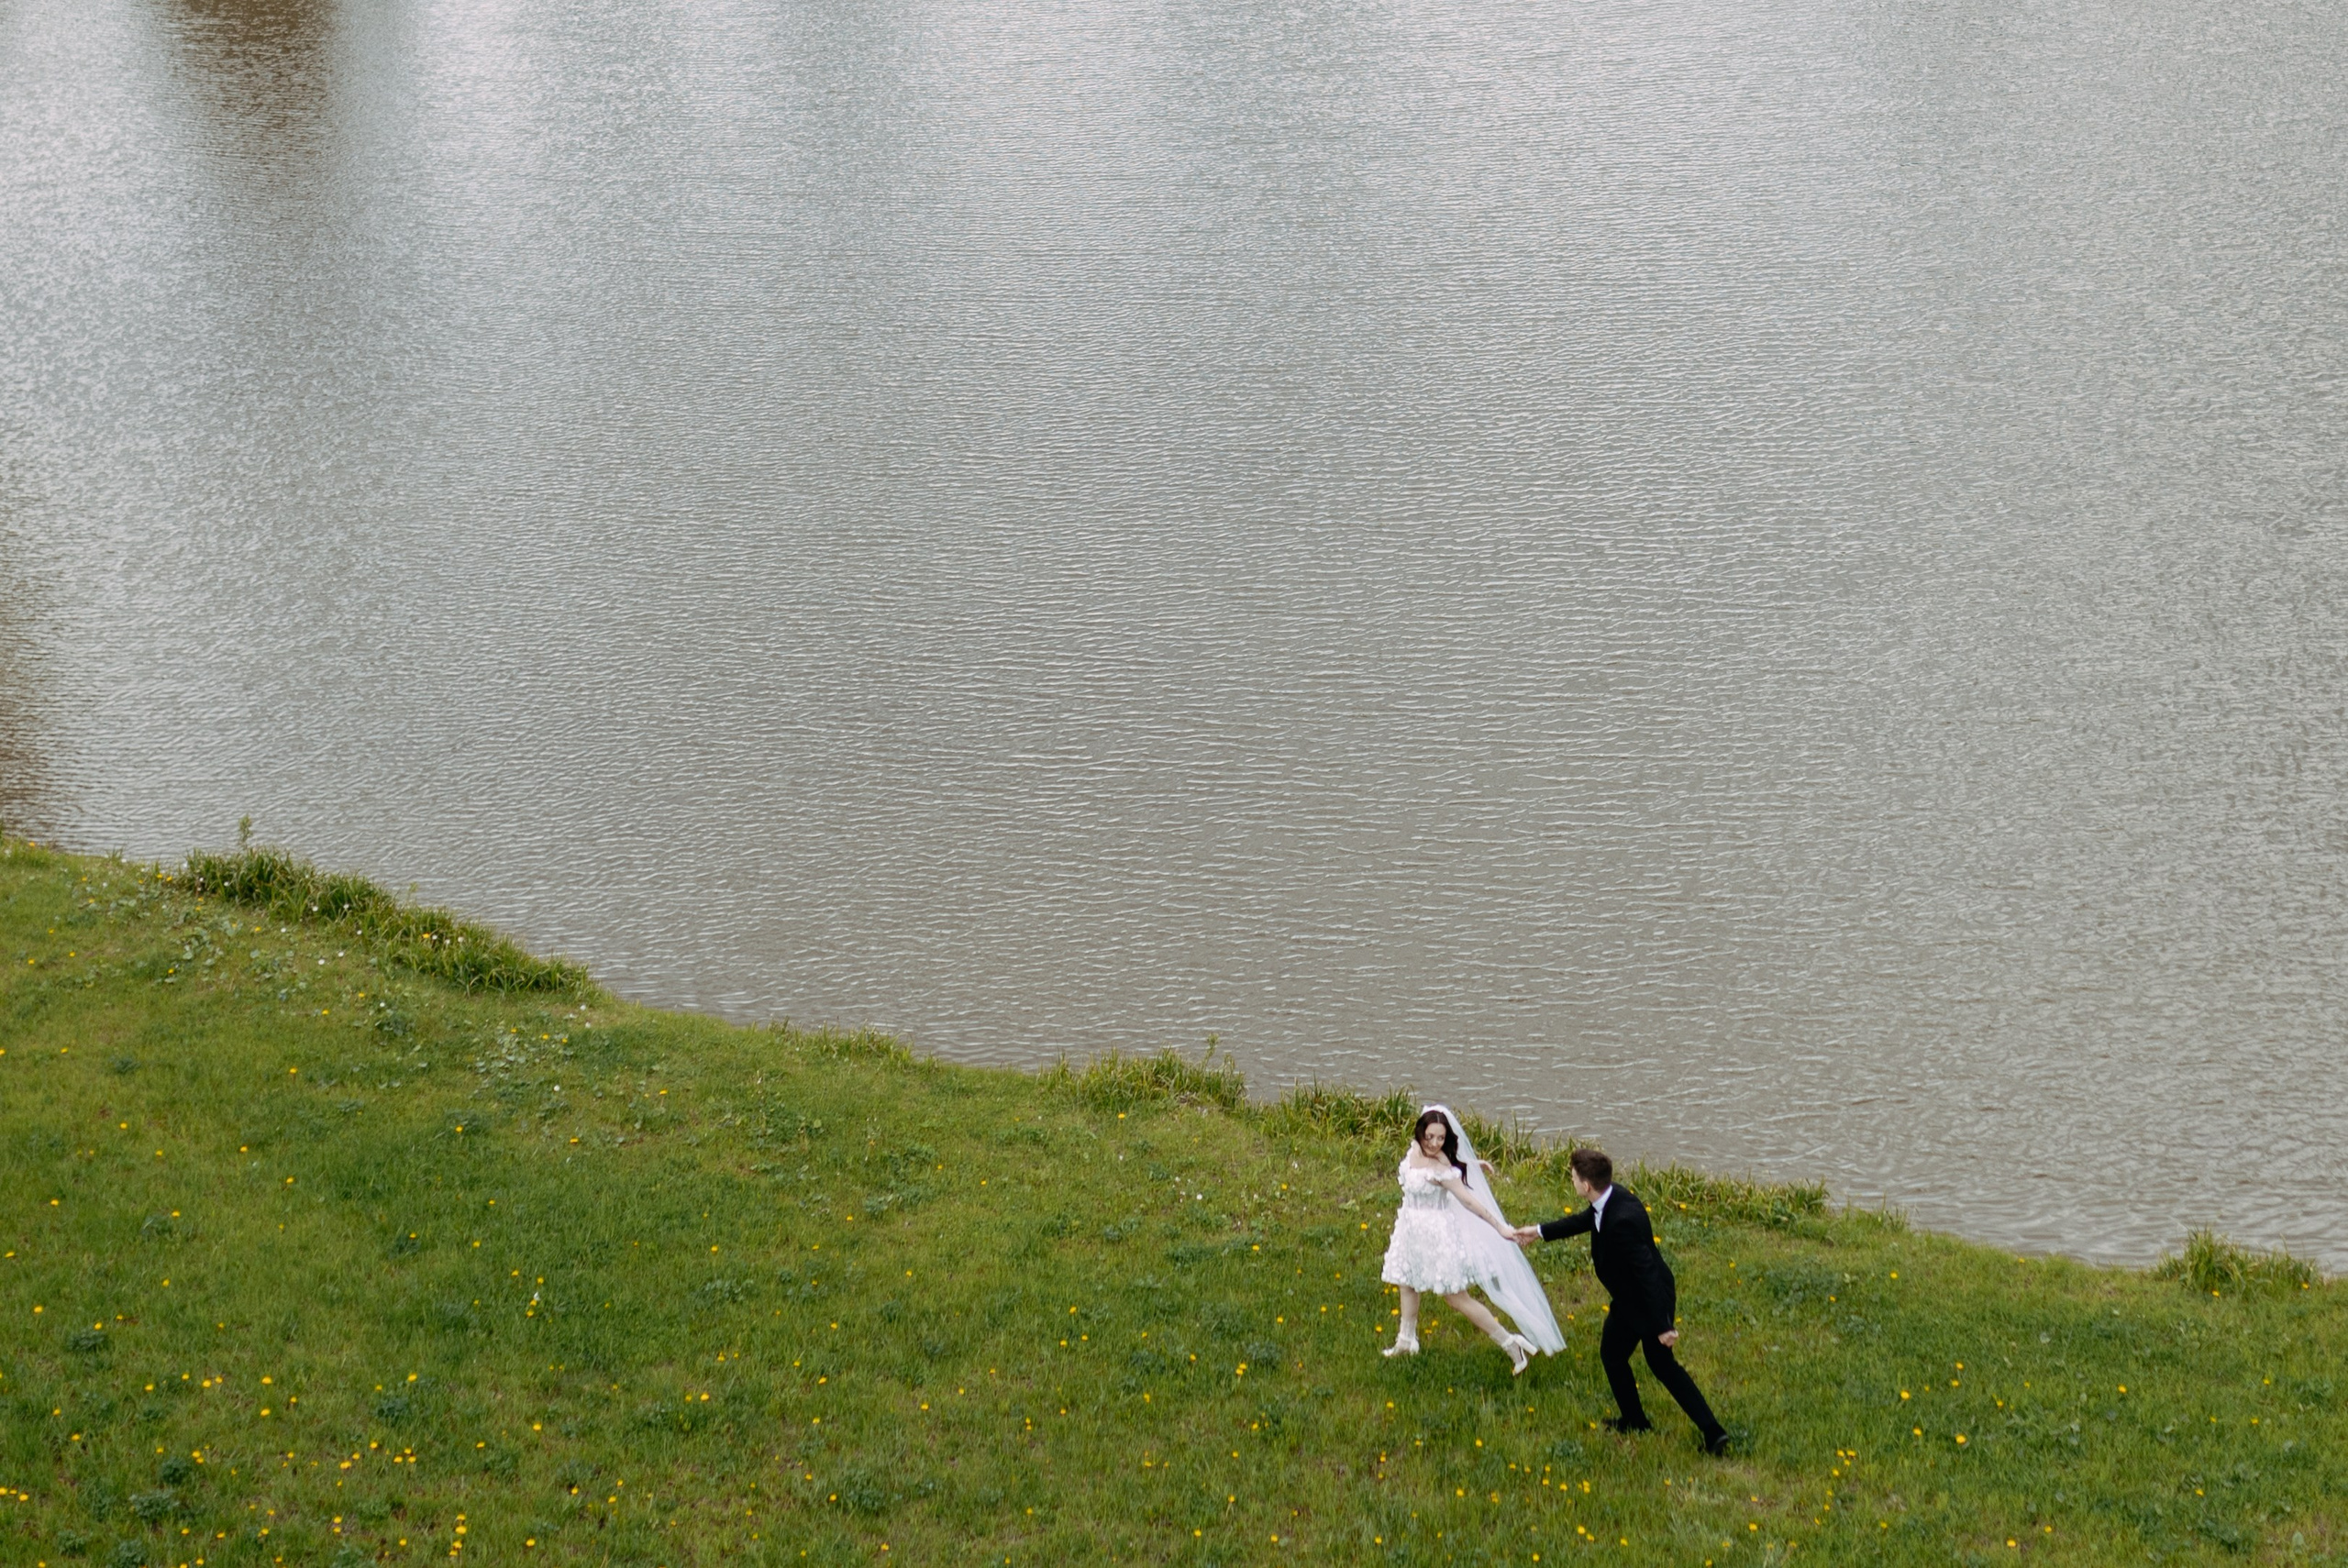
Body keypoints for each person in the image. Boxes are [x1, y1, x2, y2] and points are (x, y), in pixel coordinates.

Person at [1515, 1148, 1729, 1453]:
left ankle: (1713, 1432)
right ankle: (1635, 1420)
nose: (1572, 1182)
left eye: (1573, 1178)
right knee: (1613, 1355)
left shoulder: (1622, 1220)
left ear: (1586, 1185)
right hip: (1629, 1299)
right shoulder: (1610, 1197)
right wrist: (1538, 1232)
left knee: (1662, 1366)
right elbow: (1586, 1220)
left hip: (1648, 1301)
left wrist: (1663, 1325)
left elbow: (1647, 1273)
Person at [1380, 1106, 1565, 1375]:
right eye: (1430, 1136)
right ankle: (1406, 1340)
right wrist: (1471, 1165)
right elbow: (1451, 1163)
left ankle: (1511, 1343)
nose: (1434, 1143)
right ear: (1420, 1132)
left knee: (1455, 1297)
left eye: (1440, 1138)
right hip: (1410, 1229)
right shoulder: (1415, 1150)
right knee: (1406, 1282)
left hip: (1436, 1235)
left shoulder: (1441, 1169)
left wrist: (1500, 1227)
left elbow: (1468, 1201)